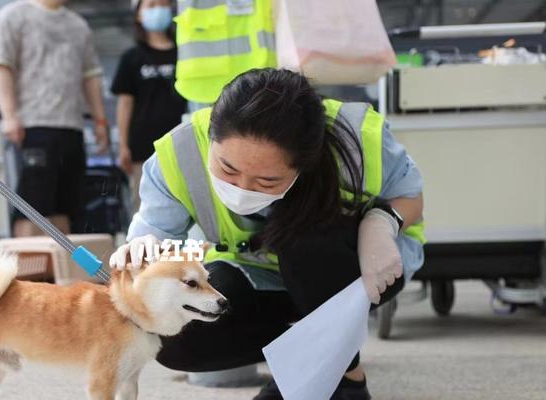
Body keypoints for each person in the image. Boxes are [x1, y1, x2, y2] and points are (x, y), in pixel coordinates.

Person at [108, 68, 425, 400]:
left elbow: (410, 194)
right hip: (253, 272)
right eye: (227, 168)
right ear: (212, 137)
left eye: (267, 181)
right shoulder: (181, 152)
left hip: (355, 269)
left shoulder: (356, 138)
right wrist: (144, 246)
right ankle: (311, 364)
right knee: (179, 329)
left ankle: (344, 379)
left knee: (305, 246)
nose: (243, 188)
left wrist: (382, 223)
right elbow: (154, 233)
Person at [0, 0, 109, 237]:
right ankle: (23, 270)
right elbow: (1, 65)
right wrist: (9, 115)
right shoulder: (14, 15)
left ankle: (58, 271)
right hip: (32, 126)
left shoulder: (78, 25)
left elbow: (90, 75)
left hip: (71, 126)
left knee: (66, 205)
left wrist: (100, 120)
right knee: (32, 205)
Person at [111, 0, 186, 213]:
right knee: (146, 207)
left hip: (182, 140)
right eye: (151, 5)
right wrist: (123, 145)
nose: (158, 9)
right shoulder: (132, 57)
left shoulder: (185, 52)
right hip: (144, 145)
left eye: (162, 4)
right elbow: (125, 103)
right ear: (138, 15)